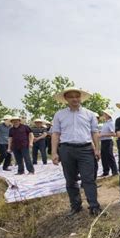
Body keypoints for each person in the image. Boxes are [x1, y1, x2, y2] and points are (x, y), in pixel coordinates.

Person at [51, 87, 102, 216]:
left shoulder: (89, 114)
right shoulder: (59, 114)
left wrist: (97, 149)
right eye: (71, 96)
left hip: (85, 149)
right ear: (66, 99)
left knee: (88, 179)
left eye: (77, 96)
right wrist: (54, 152)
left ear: (80, 98)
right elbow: (55, 134)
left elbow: (95, 133)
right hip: (66, 149)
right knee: (70, 179)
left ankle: (94, 206)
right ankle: (75, 206)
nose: (74, 99)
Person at [99, 109, 118, 176]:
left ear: (108, 115)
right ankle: (105, 171)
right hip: (103, 141)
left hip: (108, 141)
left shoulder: (111, 123)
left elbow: (114, 134)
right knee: (103, 157)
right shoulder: (105, 123)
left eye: (105, 114)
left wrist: (102, 135)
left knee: (110, 156)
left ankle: (114, 171)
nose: (103, 115)